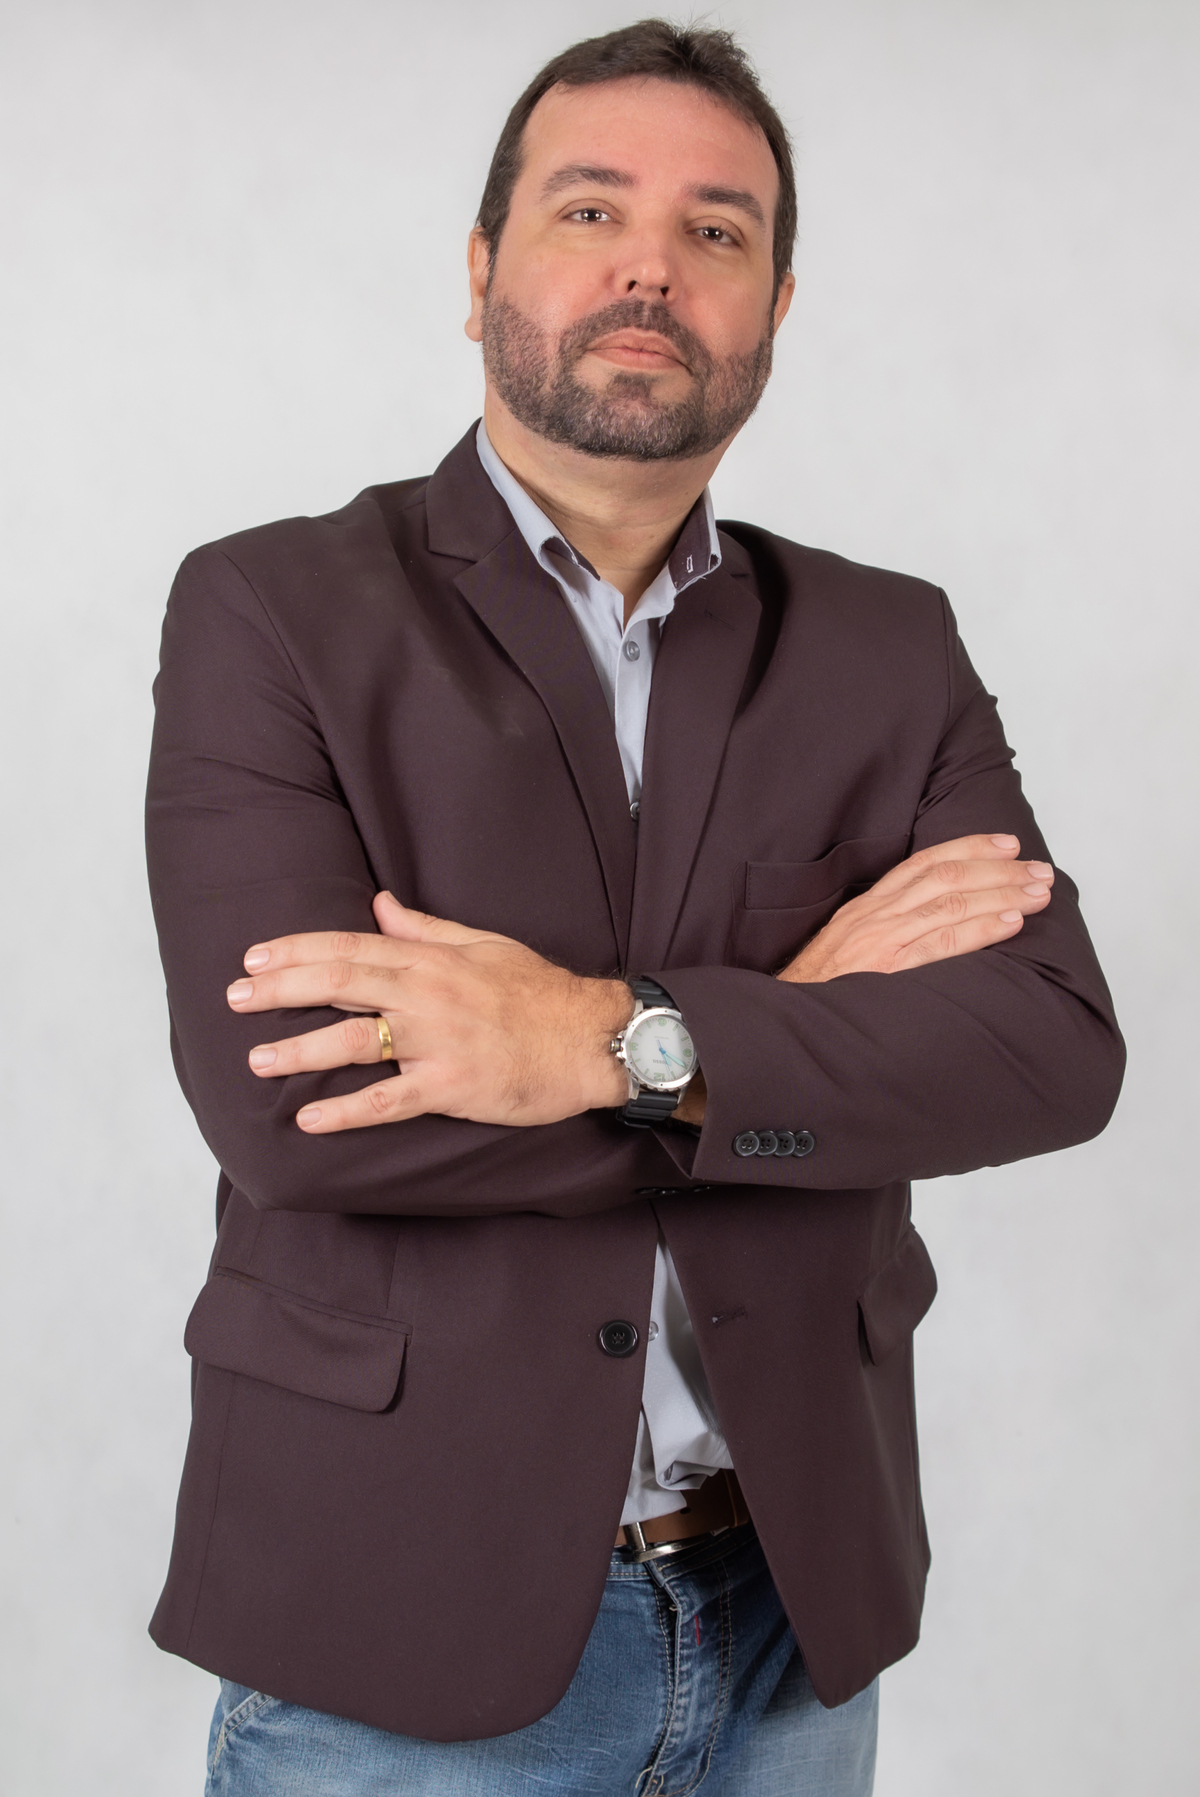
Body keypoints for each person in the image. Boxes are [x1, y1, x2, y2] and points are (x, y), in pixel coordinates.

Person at [145, 19, 1124, 1796]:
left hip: (790, 1622)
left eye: (716, 230)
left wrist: (599, 1038)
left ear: (776, 307)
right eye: (590, 210)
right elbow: (299, 1112)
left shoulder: (890, 646)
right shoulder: (269, 611)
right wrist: (789, 1026)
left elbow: (1052, 1050)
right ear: (479, 273)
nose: (651, 267)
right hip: (393, 1633)